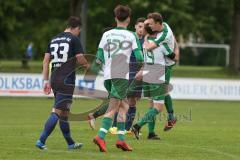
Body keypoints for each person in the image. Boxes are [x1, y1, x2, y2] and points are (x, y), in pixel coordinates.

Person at [93, 5, 143, 152]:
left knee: (124, 106)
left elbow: (98, 58)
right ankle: (100, 136)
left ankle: (121, 140)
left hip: (108, 75)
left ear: (115, 18)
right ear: (128, 19)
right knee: (114, 107)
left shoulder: (106, 34)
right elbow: (139, 57)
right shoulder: (131, 35)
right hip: (121, 74)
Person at [35, 16, 89, 150]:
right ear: (77, 28)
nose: (79, 33)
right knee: (57, 111)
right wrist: (88, 65)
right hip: (66, 80)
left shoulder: (54, 39)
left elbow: (46, 61)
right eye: (79, 31)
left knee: (64, 111)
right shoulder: (74, 39)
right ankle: (41, 140)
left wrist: (46, 81)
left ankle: (70, 143)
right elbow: (80, 58)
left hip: (54, 78)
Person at [131, 12, 177, 140]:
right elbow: (172, 56)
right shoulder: (161, 42)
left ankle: (151, 133)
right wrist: (176, 55)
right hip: (158, 73)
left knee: (152, 104)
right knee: (158, 107)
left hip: (147, 73)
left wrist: (145, 37)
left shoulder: (144, 43)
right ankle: (137, 126)